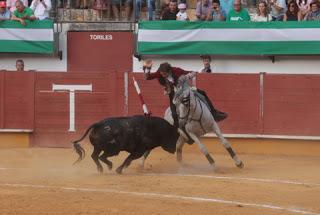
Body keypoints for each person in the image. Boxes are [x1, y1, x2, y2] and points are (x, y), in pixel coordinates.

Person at [143, 60, 228, 130]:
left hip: (184, 90)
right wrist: (147, 68)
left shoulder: (176, 70)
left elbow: (191, 73)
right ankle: (176, 129)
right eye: (161, 73)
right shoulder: (160, 73)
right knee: (173, 112)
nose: (162, 75)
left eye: (164, 74)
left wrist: (194, 82)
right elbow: (148, 77)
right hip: (173, 93)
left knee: (202, 94)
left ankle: (214, 113)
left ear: (169, 71)